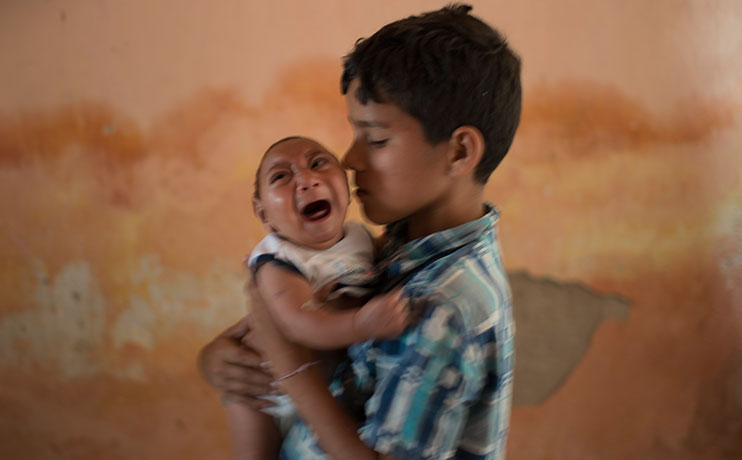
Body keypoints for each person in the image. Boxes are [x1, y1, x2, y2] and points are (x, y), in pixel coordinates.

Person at [201, 4, 521, 459]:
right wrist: (219, 360)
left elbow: (293, 354)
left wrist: (291, 369)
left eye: (376, 139)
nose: (350, 159)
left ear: (458, 152)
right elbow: (283, 329)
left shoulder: (442, 308)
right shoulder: (396, 245)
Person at [228, 136, 411, 459]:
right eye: (281, 176)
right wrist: (361, 324)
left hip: (321, 384)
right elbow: (299, 322)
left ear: (345, 186)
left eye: (318, 163)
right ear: (264, 213)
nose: (306, 179)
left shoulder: (360, 237)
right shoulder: (278, 260)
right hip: (267, 389)